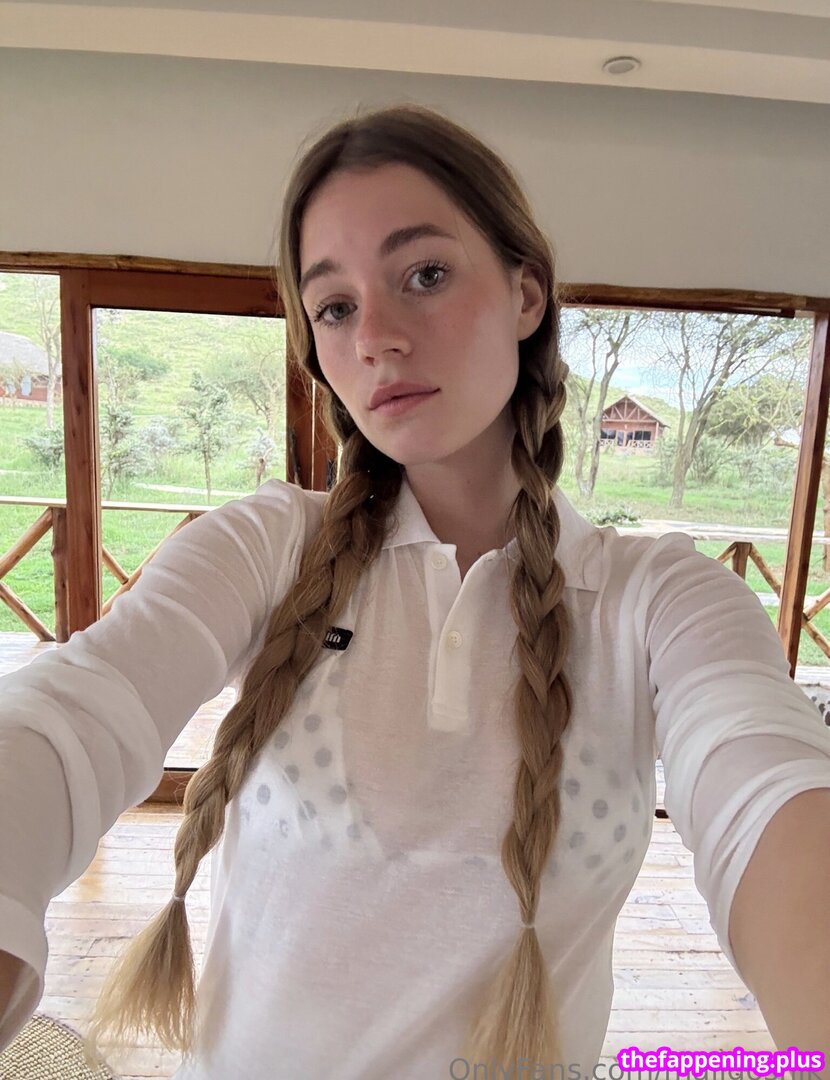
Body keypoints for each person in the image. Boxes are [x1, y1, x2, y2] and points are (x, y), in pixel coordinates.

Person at [1, 101, 830, 1080]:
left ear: (526, 294)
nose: (376, 338)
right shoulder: (268, 548)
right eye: (334, 307)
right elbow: (75, 709)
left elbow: (764, 782)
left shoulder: (660, 600)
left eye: (424, 275)